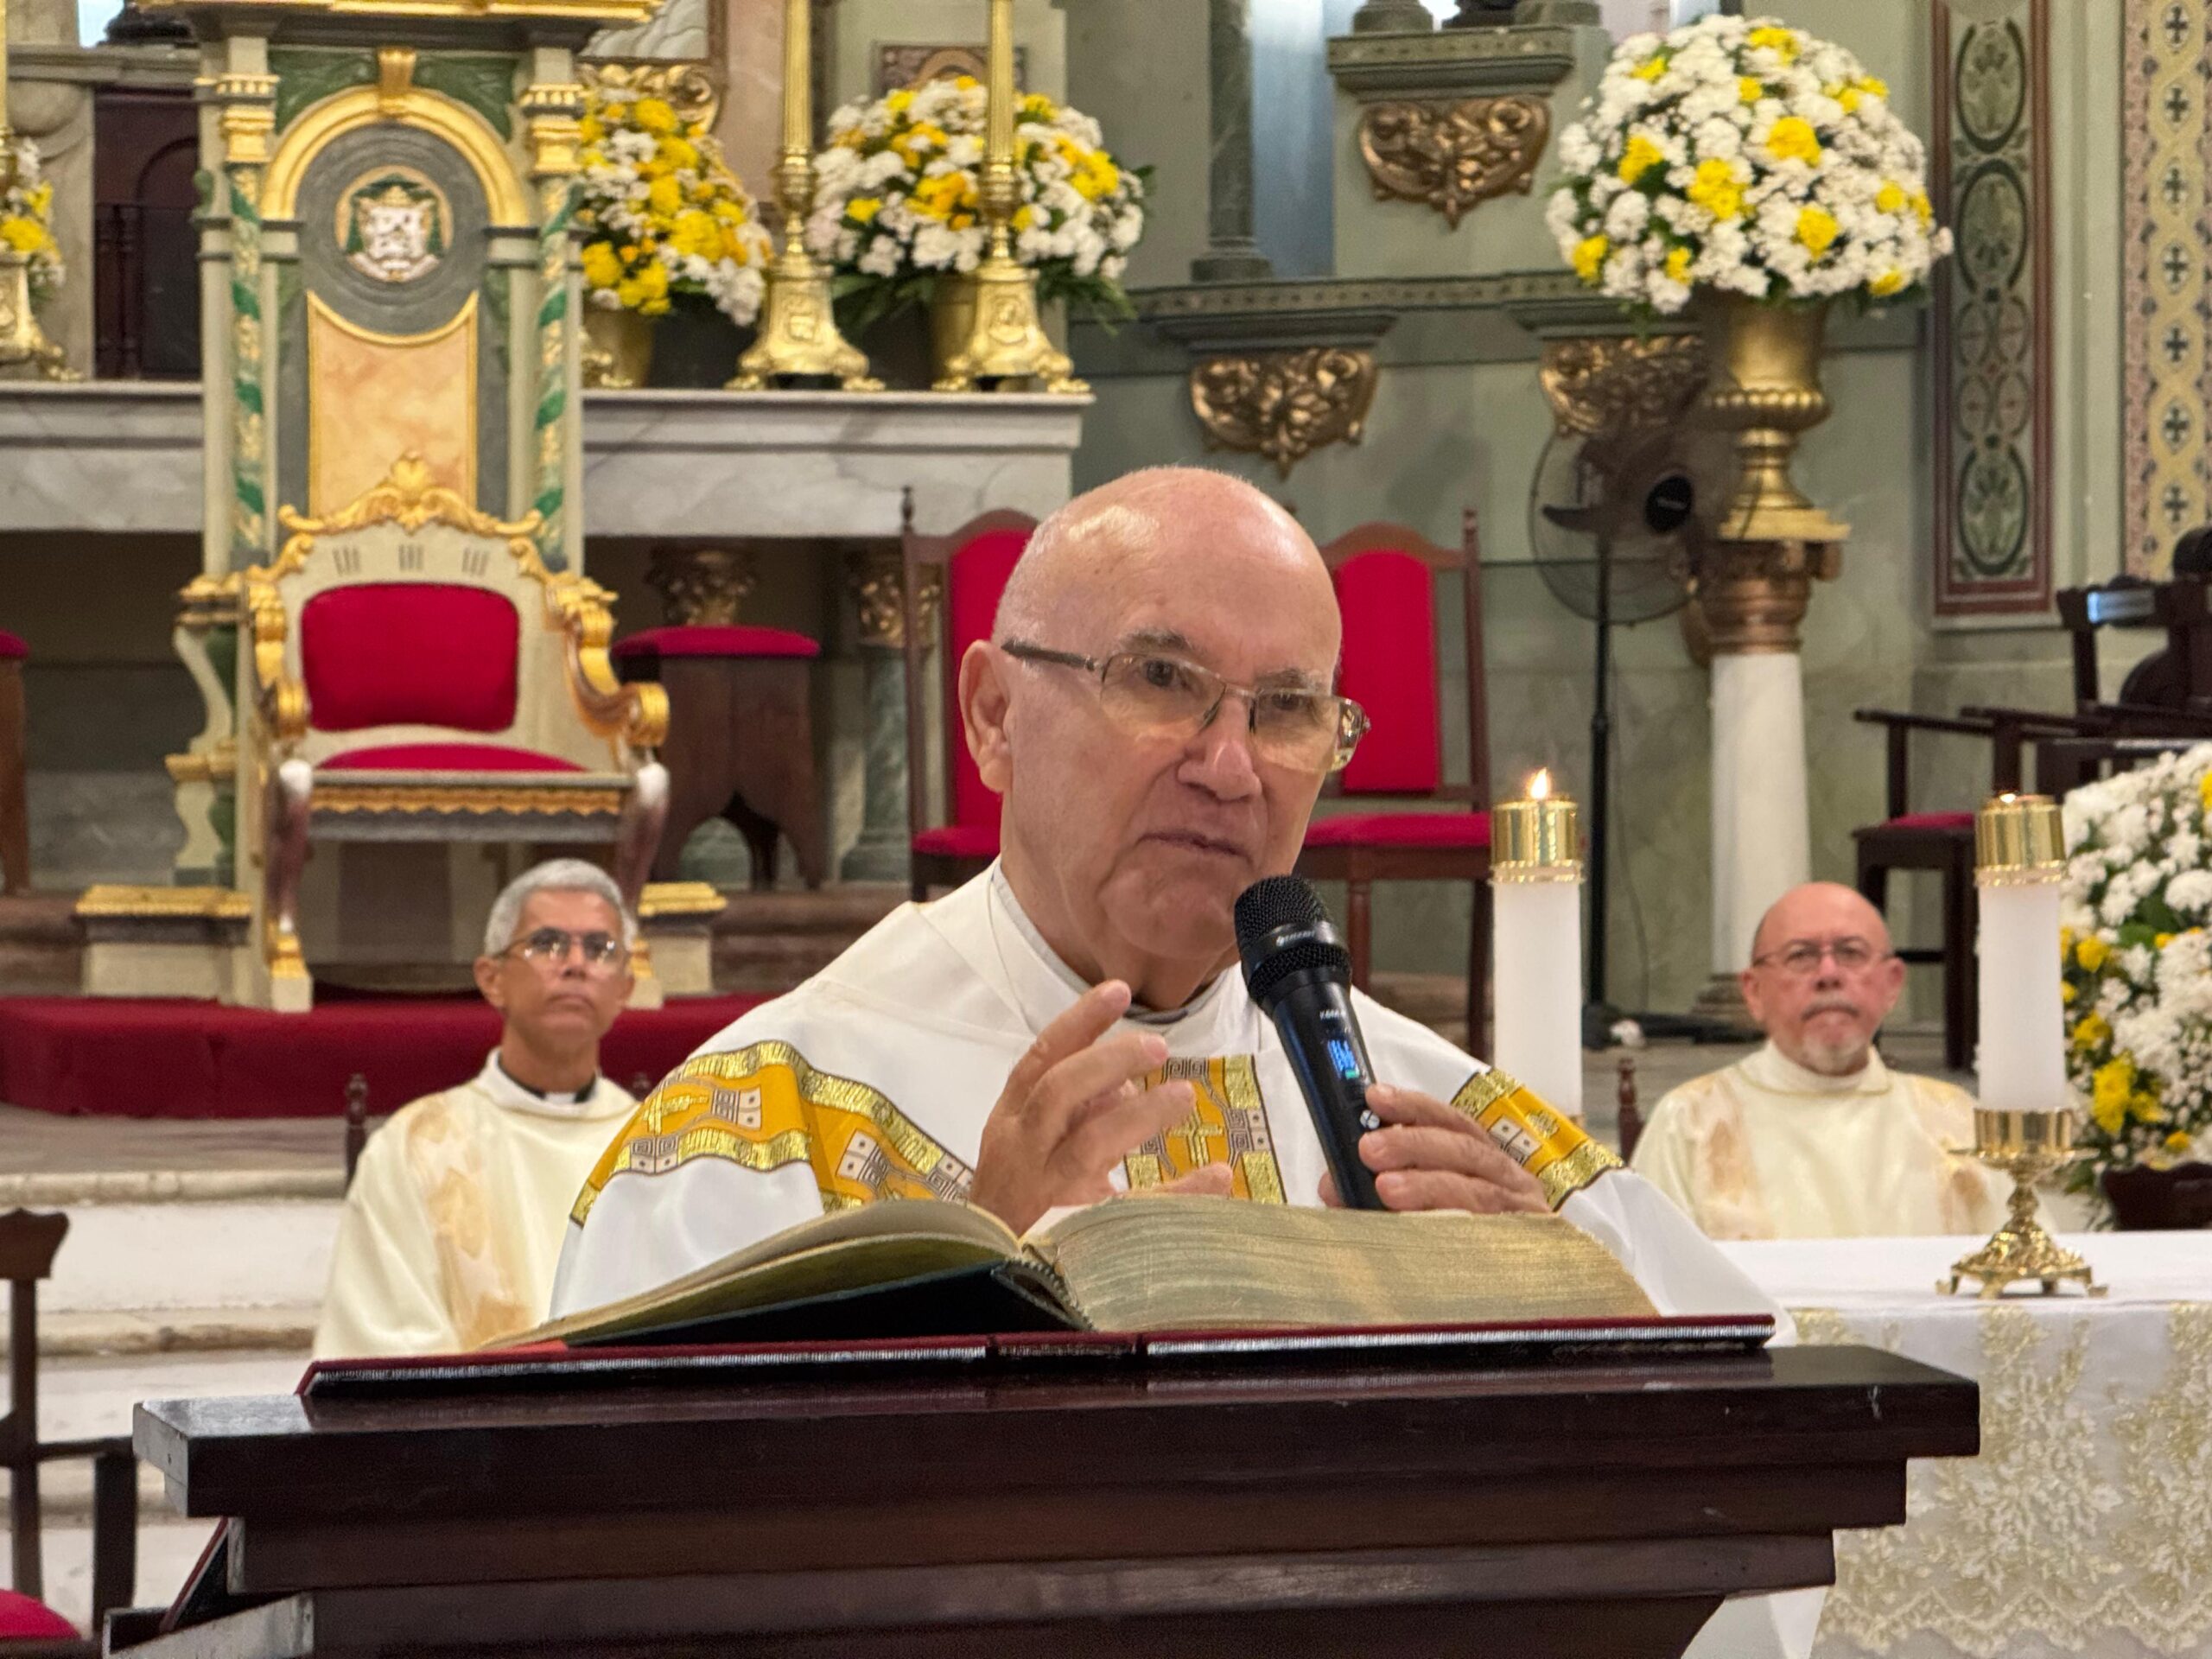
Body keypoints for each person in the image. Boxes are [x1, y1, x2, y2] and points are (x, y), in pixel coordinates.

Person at [554, 468, 1812, 1658]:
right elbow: (628, 1549)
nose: (1229, 765)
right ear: (994, 714)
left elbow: (1743, 1490)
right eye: (1161, 678)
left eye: (1288, 710)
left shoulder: (1453, 1120)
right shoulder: (763, 1116)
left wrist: (1571, 1329)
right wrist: (969, 1297)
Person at [315, 860, 640, 1357]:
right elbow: (384, 1352)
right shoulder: (416, 1150)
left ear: (625, 988)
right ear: (491, 979)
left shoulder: (657, 1147)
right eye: (548, 944)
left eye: (600, 949)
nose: (576, 964)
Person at [1630, 881, 2007, 1241]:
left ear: (1892, 983)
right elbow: (1648, 1287)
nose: (1829, 974)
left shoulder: (1955, 1121)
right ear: (1754, 991)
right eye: (1801, 956)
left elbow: (2027, 1281)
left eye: (1851, 953)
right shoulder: (1689, 1123)